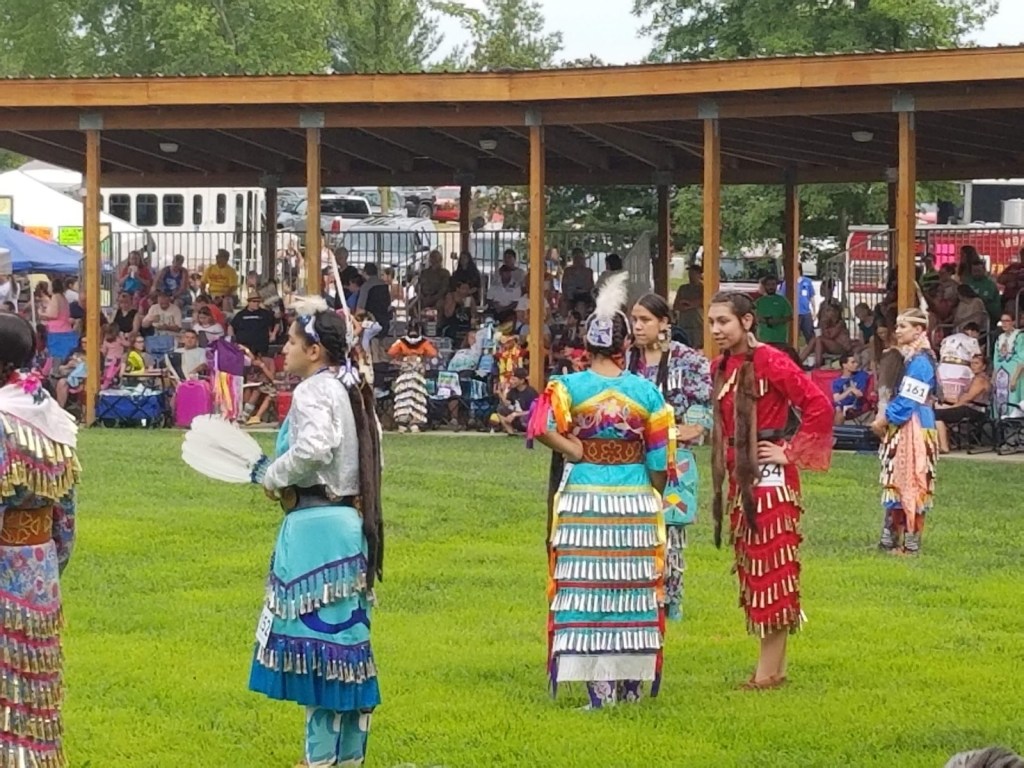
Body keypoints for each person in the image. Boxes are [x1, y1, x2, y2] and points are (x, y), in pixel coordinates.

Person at [526, 273, 677, 708]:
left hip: (584, 499)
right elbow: (659, 461)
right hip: (634, 500)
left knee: (587, 585)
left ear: (586, 346)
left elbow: (539, 426)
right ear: (624, 346)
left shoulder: (568, 387)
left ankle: (600, 689)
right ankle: (630, 685)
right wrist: (652, 494)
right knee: (630, 586)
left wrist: (576, 450)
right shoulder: (647, 393)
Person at [251, 301, 384, 768]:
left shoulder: (314, 392)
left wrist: (274, 477)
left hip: (315, 530)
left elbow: (313, 447)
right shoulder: (355, 391)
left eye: (290, 341)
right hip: (351, 529)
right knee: (347, 653)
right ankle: (348, 761)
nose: (283, 349)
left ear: (313, 350)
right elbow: (373, 460)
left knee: (316, 657)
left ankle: (319, 763)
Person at [707, 292, 833, 689]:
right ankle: (773, 671)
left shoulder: (772, 361)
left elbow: (819, 406)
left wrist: (790, 451)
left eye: (723, 322)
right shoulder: (721, 367)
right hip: (740, 476)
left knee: (772, 570)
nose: (715, 330)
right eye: (711, 322)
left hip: (769, 482)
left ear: (747, 321)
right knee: (755, 570)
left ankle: (767, 675)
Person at [0, 313, 80, 767]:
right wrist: (50, 559)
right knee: (33, 680)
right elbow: (65, 514)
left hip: (6, 566)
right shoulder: (52, 416)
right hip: (41, 567)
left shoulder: (2, 420)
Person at [628, 293, 711, 621]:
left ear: (665, 323)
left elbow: (700, 417)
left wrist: (675, 430)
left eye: (645, 320)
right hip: (632, 460)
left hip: (675, 460)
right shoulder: (625, 361)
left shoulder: (688, 361)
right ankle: (634, 595)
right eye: (634, 319)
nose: (638, 326)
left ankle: (667, 601)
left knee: (669, 535)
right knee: (631, 529)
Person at [871, 308, 938, 555]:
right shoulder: (909, 357)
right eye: (897, 326)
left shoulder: (921, 361)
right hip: (907, 422)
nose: (897, 331)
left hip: (915, 424)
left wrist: (884, 418)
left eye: (903, 326)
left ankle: (910, 544)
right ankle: (890, 538)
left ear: (919, 330)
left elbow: (909, 399)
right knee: (896, 479)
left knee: (913, 479)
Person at [935, 353, 991, 453]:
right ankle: (946, 443)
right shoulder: (974, 379)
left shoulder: (980, 380)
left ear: (984, 366)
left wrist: (952, 407)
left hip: (975, 411)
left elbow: (968, 398)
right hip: (968, 407)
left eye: (976, 363)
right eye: (972, 363)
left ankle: (944, 446)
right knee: (938, 411)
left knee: (937, 415)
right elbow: (962, 398)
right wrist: (945, 400)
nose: (973, 366)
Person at [387, 322, 437, 433]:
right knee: (416, 396)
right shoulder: (424, 342)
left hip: (408, 370)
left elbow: (391, 352)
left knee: (405, 396)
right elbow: (433, 353)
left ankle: (404, 423)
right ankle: (413, 423)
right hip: (415, 370)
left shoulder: (401, 342)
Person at [993, 312, 1024, 418]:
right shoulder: (999, 338)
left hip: (1014, 372)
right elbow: (996, 359)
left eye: (1007, 321)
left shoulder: (1020, 336)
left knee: (1013, 399)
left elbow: (1022, 358)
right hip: (1001, 373)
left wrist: (1015, 378)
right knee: (999, 399)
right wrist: (993, 376)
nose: (1004, 324)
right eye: (1002, 321)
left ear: (1013, 322)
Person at [230, 291, 277, 357]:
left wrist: (273, 334)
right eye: (254, 301)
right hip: (244, 349)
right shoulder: (240, 315)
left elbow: (276, 323)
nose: (256, 304)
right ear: (249, 302)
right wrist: (232, 339)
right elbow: (231, 326)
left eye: (258, 301)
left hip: (261, 349)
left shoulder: (265, 314)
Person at [494, 366, 538, 435]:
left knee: (525, 417)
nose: (511, 381)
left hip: (528, 420)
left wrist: (515, 414)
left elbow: (535, 410)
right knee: (500, 409)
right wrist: (500, 393)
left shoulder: (531, 393)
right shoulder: (513, 390)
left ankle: (530, 432)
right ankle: (511, 433)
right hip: (517, 418)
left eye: (514, 379)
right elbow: (507, 404)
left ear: (522, 380)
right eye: (511, 379)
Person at [831, 353, 871, 424]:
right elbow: (836, 399)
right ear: (844, 365)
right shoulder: (837, 382)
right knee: (838, 410)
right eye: (852, 362)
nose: (856, 364)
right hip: (842, 407)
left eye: (856, 362)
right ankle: (837, 433)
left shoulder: (861, 375)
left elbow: (860, 394)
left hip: (856, 406)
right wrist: (850, 390)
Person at [672, 263, 704, 350]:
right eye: (690, 273)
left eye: (693, 273)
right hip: (684, 324)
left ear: (699, 274)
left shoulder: (703, 288)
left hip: (698, 324)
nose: (691, 275)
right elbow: (676, 305)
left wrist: (690, 304)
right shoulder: (683, 288)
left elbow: (704, 301)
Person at [754, 275, 793, 346]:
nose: (771, 287)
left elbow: (789, 317)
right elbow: (754, 316)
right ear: (765, 286)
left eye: (773, 284)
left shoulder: (783, 301)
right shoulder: (759, 302)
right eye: (768, 285)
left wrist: (777, 321)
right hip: (763, 338)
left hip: (780, 339)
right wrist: (764, 320)